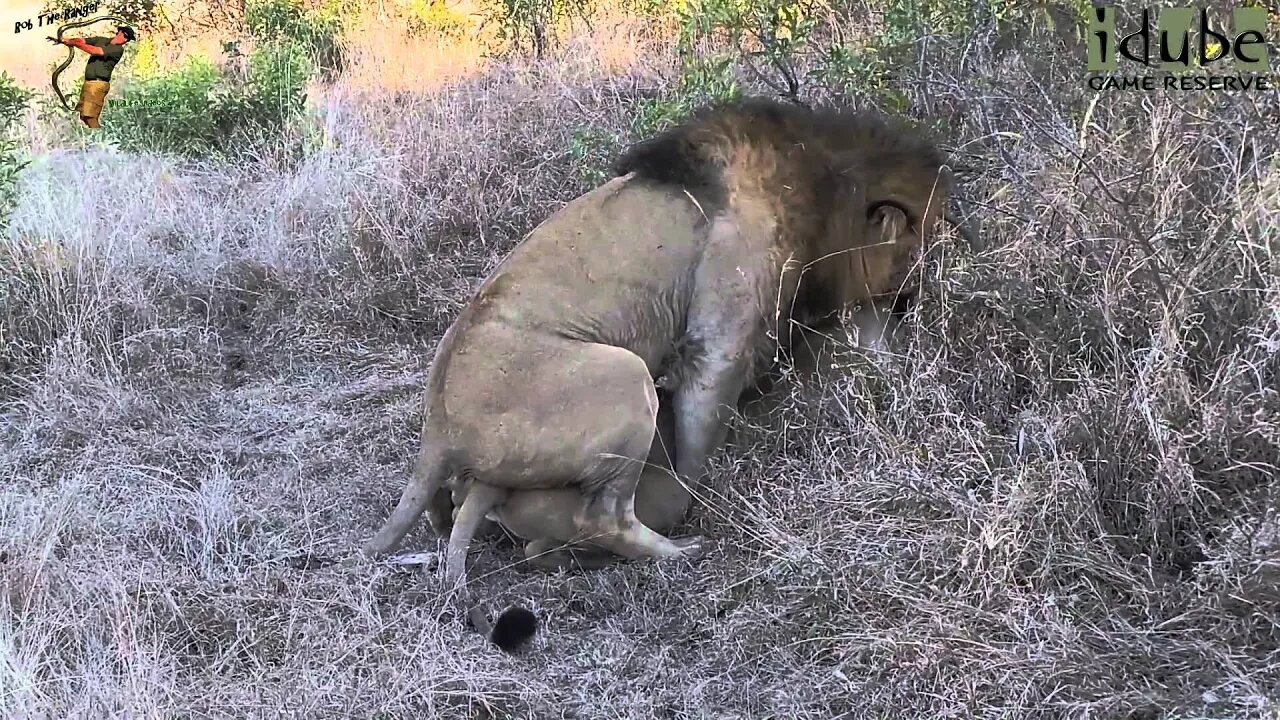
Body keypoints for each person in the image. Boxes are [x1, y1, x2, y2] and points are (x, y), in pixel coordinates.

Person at [46, 25, 136, 128]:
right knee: (84, 116)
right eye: (124, 35)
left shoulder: (117, 50)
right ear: (119, 32)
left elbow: (95, 51)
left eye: (127, 38)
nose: (125, 39)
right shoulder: (101, 40)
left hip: (98, 84)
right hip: (89, 83)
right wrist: (65, 40)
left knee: (90, 117)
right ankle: (94, 137)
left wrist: (72, 43)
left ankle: (100, 138)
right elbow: (82, 41)